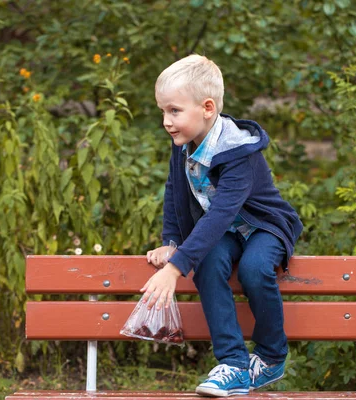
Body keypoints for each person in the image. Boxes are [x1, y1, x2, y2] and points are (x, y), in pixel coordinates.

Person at [140, 54, 303, 397]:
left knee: (256, 268)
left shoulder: (237, 151)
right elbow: (174, 193)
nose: (166, 121)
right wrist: (172, 241)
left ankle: (271, 357)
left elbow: (219, 214)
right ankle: (233, 364)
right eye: (163, 111)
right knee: (209, 263)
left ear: (208, 108)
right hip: (228, 232)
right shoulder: (183, 145)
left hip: (264, 226)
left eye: (174, 111)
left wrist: (174, 267)